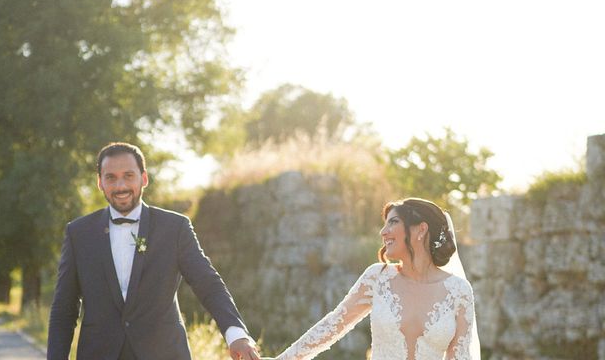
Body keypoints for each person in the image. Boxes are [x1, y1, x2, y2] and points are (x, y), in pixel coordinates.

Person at [48, 142, 260, 360]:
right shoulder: (79, 233)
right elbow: (64, 308)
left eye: (129, 175)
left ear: (144, 178)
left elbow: (207, 283)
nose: (120, 185)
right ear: (100, 182)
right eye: (111, 177)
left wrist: (235, 334)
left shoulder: (175, 228)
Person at [264, 197, 480, 360]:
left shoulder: (459, 290)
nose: (383, 232)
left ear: (420, 230)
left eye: (392, 222)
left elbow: (461, 357)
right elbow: (332, 325)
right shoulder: (378, 278)